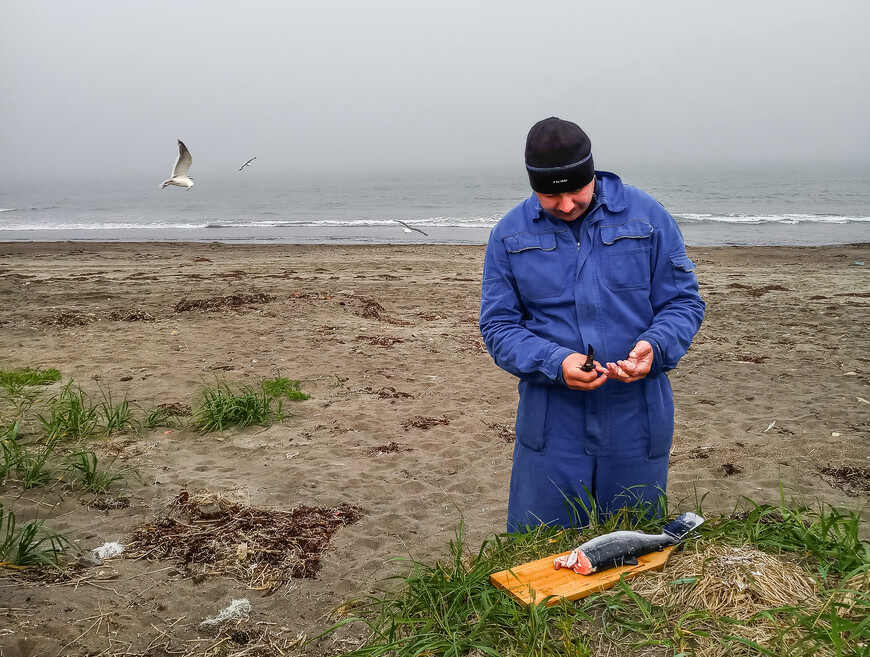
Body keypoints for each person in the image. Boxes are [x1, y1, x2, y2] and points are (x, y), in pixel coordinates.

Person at [479, 117, 705, 531]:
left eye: (574, 190)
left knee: (634, 547)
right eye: (550, 194)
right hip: (551, 418)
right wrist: (555, 361)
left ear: (592, 174)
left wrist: (655, 346)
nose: (565, 205)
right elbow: (498, 327)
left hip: (636, 411)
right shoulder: (508, 234)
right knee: (540, 553)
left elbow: (683, 303)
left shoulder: (649, 217)